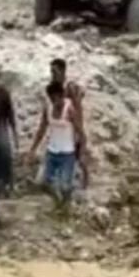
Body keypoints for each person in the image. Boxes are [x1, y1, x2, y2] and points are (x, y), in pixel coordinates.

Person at [27, 81, 82, 209]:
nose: (54, 102)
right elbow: (41, 129)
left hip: (67, 153)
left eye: (56, 98)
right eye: (51, 99)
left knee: (65, 186)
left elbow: (80, 131)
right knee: (43, 183)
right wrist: (32, 149)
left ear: (62, 95)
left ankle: (66, 205)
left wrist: (81, 151)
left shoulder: (69, 109)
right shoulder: (48, 108)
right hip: (52, 151)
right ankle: (58, 201)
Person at [50, 58, 90, 189]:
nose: (53, 74)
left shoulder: (69, 87)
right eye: (51, 71)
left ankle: (85, 181)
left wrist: (79, 127)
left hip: (72, 124)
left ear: (62, 71)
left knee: (78, 154)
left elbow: (78, 107)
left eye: (55, 71)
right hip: (62, 125)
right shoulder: (55, 87)